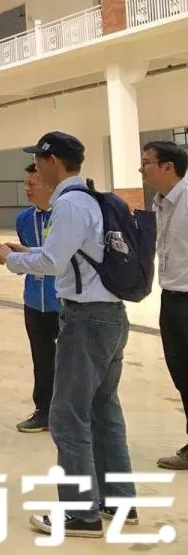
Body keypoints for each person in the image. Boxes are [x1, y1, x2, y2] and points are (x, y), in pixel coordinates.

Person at [0, 131, 137, 537]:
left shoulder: (70, 203)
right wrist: (27, 254)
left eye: (38, 160)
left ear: (53, 161)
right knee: (104, 411)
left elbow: (54, 262)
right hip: (109, 315)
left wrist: (11, 260)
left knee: (68, 416)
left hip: (86, 320)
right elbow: (69, 257)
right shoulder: (91, 198)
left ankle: (80, 514)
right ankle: (118, 501)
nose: (34, 169)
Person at [140, 141, 188, 469]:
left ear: (167, 167)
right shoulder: (161, 203)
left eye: (147, 163)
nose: (141, 169)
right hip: (170, 299)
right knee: (182, 376)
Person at [13, 162, 60, 434]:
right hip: (34, 302)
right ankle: (44, 411)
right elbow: (26, 261)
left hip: (63, 302)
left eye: (32, 184)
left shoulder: (64, 217)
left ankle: (75, 413)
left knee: (71, 361)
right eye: (25, 184)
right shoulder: (23, 219)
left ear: (49, 186)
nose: (27, 189)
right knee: (41, 360)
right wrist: (13, 259)